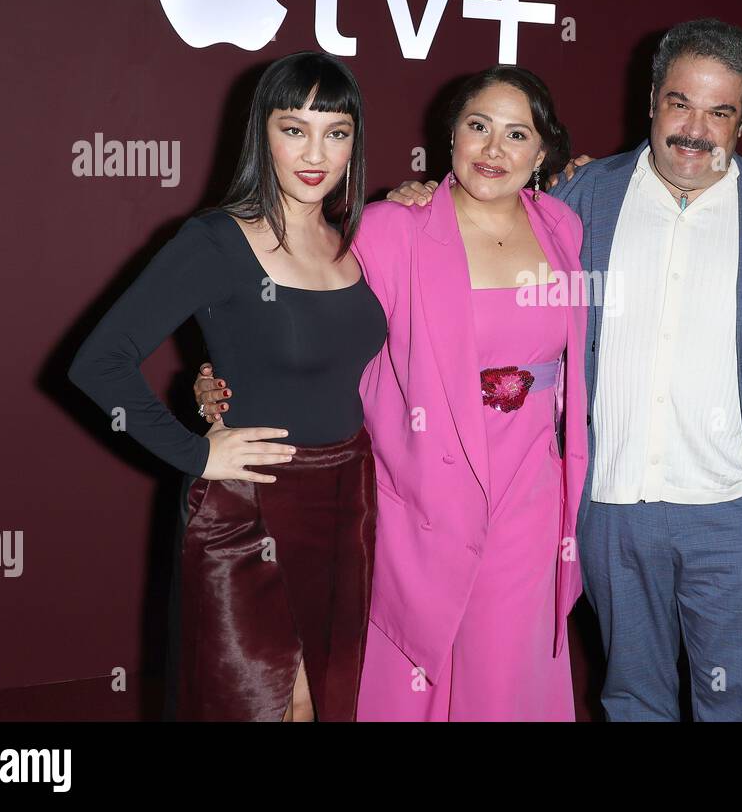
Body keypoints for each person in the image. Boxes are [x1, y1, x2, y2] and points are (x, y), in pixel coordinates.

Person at [387, 19, 742, 721]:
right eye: (680, 104)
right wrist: (417, 197)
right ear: (652, 98)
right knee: (632, 698)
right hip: (609, 505)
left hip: (740, 511)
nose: (695, 129)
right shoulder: (580, 202)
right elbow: (480, 227)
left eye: (719, 112)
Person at [198, 65, 587, 720]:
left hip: (529, 494)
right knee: (412, 668)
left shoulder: (561, 226)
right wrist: (218, 379)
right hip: (420, 491)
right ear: (451, 136)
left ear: (542, 152)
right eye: (478, 127)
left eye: (517, 135)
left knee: (504, 674)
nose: (494, 151)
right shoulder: (390, 228)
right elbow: (303, 321)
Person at [69, 51, 386, 721]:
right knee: (266, 703)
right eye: (293, 127)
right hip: (248, 508)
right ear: (261, 133)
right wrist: (195, 453)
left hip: (346, 506)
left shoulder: (354, 241)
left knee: (325, 703)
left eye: (336, 130)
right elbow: (99, 361)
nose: (315, 150)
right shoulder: (216, 239)